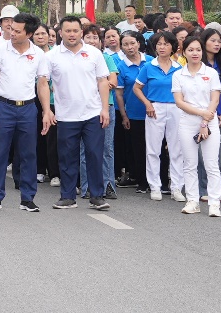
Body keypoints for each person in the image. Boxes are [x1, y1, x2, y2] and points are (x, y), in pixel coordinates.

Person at [40, 16, 110, 211]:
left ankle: (97, 196)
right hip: (66, 116)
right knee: (67, 157)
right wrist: (47, 110)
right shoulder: (51, 56)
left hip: (93, 113)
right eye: (68, 31)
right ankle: (68, 196)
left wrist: (105, 109)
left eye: (75, 31)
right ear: (60, 33)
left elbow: (103, 81)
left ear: (81, 32)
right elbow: (43, 83)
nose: (72, 34)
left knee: (95, 155)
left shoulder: (94, 53)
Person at [0, 12, 48, 212]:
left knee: (29, 154)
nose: (12, 33)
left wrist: (46, 111)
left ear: (29, 34)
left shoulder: (38, 54)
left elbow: (42, 84)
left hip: (28, 108)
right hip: (3, 107)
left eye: (17, 31)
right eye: (11, 29)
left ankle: (27, 198)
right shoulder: (0, 50)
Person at [171, 35, 221, 217]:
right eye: (191, 50)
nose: (195, 53)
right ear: (184, 52)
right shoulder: (178, 74)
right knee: (190, 164)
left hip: (209, 120)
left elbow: (215, 99)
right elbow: (179, 102)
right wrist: (201, 115)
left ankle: (214, 203)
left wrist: (205, 121)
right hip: (188, 121)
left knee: (211, 164)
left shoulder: (211, 73)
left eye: (198, 50)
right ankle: (192, 200)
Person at [130, 30, 182, 201]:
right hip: (155, 108)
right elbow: (137, 88)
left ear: (172, 47)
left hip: (176, 108)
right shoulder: (148, 66)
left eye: (166, 44)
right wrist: (147, 104)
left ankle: (176, 187)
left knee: (176, 149)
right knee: (153, 149)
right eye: (159, 44)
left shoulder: (179, 68)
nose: (162, 47)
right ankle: (155, 186)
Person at [114, 32, 147, 189]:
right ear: (121, 47)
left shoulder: (151, 62)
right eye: (125, 44)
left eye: (132, 43)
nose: (130, 47)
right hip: (134, 113)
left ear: (138, 44)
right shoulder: (121, 67)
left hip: (154, 112)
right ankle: (140, 179)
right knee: (137, 148)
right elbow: (119, 94)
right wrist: (124, 115)